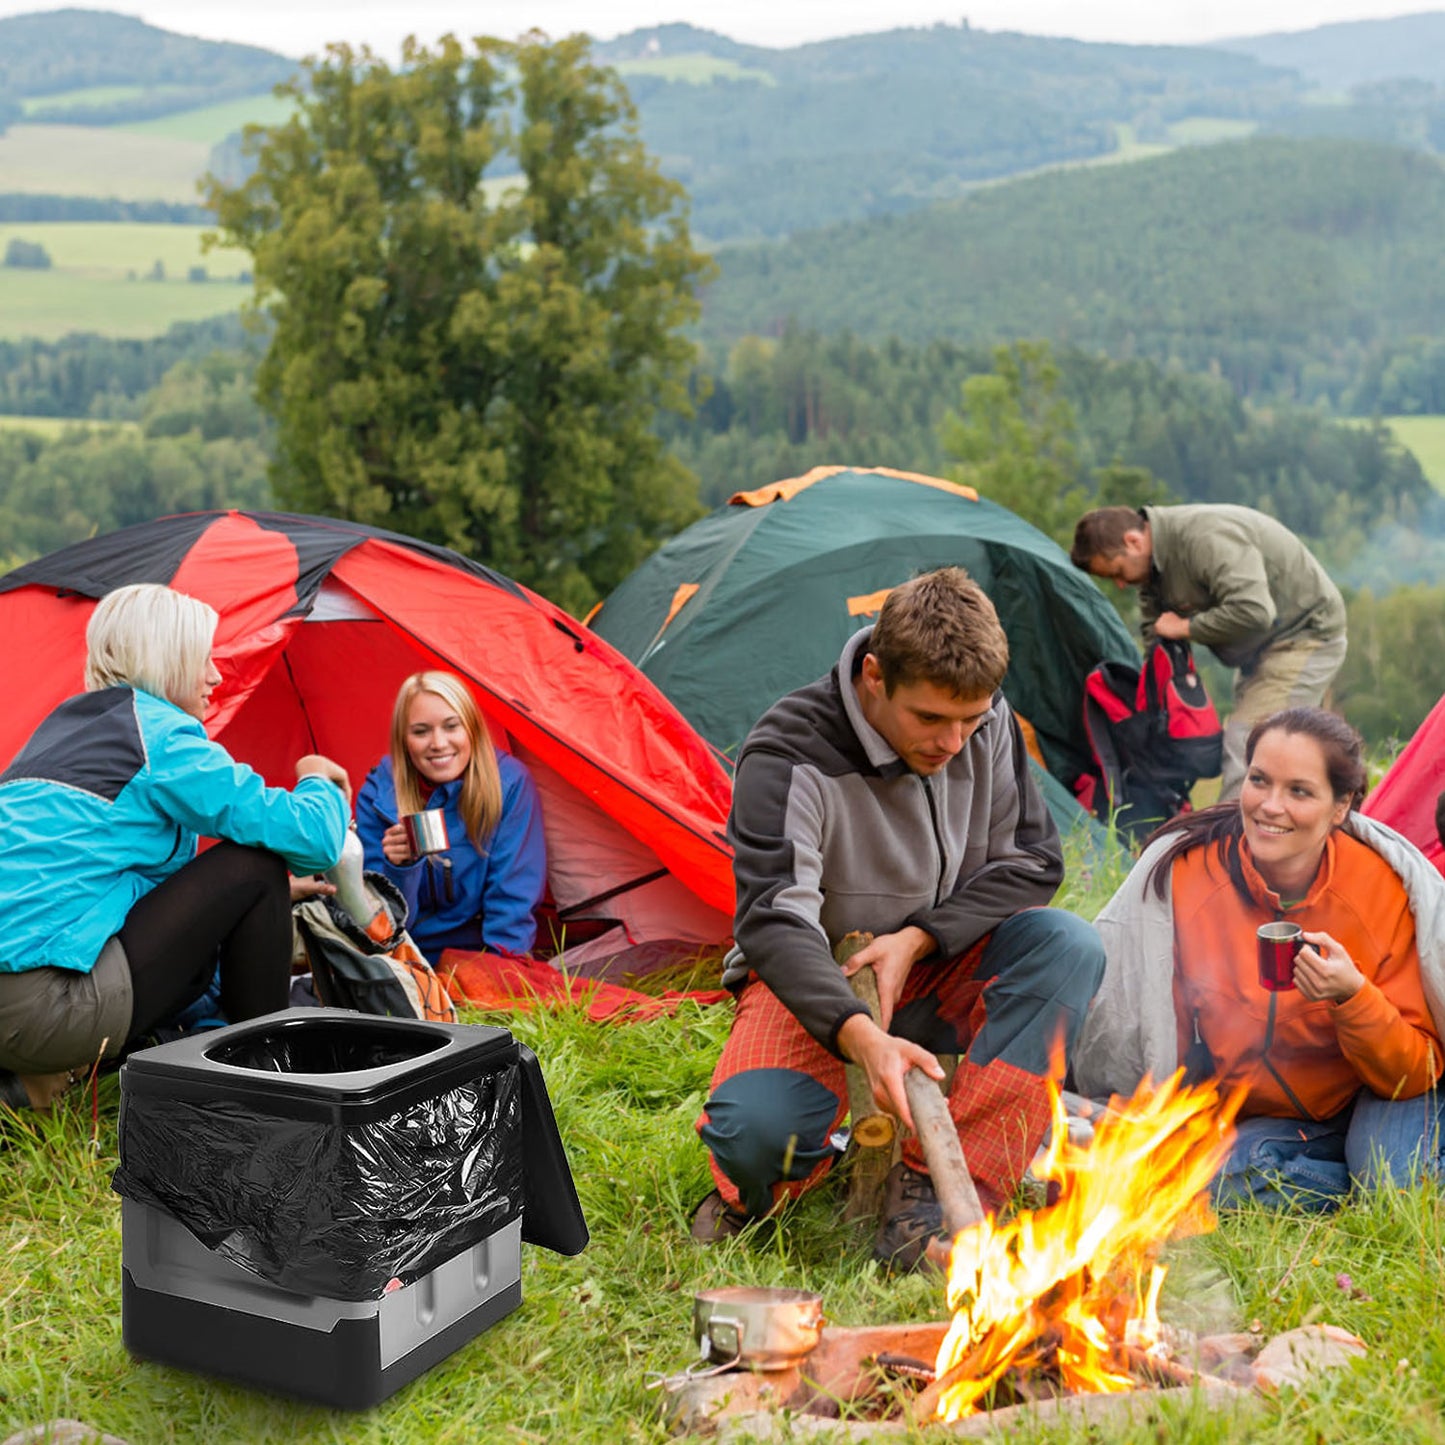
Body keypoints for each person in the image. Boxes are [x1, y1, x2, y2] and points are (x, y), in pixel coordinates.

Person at [691, 567, 1106, 1270]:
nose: (952, 742)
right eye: (930, 718)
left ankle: (936, 1199)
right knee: (759, 1136)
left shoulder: (987, 721)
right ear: (875, 676)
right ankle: (757, 1193)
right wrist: (860, 1035)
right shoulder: (788, 749)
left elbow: (1032, 861)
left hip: (942, 964)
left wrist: (918, 938)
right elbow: (773, 922)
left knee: (1067, 943)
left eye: (969, 720)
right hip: (819, 977)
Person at [1073, 707, 1445, 1210]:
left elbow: (1415, 1068)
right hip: (1272, 1118)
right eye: (1259, 781)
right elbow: (1152, 1026)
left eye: (1299, 791)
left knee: (1391, 1186)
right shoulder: (1190, 876)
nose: (1270, 806)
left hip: (1383, 1094)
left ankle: (1370, 1178)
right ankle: (1341, 1181)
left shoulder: (1380, 889)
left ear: (1341, 807)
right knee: (1214, 1181)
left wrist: (1353, 998)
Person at [0, 584, 351, 1112]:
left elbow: (113, 889)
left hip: (18, 999)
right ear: (166, 660)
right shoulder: (157, 736)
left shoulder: (60, 730)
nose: (215, 676)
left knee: (240, 894)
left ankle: (27, 1090)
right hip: (47, 1007)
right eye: (203, 659)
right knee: (253, 865)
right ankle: (268, 1086)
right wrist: (317, 776)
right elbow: (314, 838)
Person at [1070, 504, 1347, 800]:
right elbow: (1157, 635)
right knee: (1282, 747)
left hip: (1304, 636)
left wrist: (1186, 628)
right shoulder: (1154, 568)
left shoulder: (1204, 539)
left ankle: (1226, 842)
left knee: (1249, 743)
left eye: (1118, 572)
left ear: (1133, 542)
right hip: (1258, 651)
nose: (1121, 584)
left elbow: (1254, 610)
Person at [355, 671, 547, 962]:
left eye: (451, 726)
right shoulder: (379, 795)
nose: (438, 743)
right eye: (421, 731)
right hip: (406, 955)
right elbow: (378, 923)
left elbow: (513, 901)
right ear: (404, 740)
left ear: (471, 729)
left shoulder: (508, 784)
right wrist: (401, 869)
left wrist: (497, 976)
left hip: (480, 954)